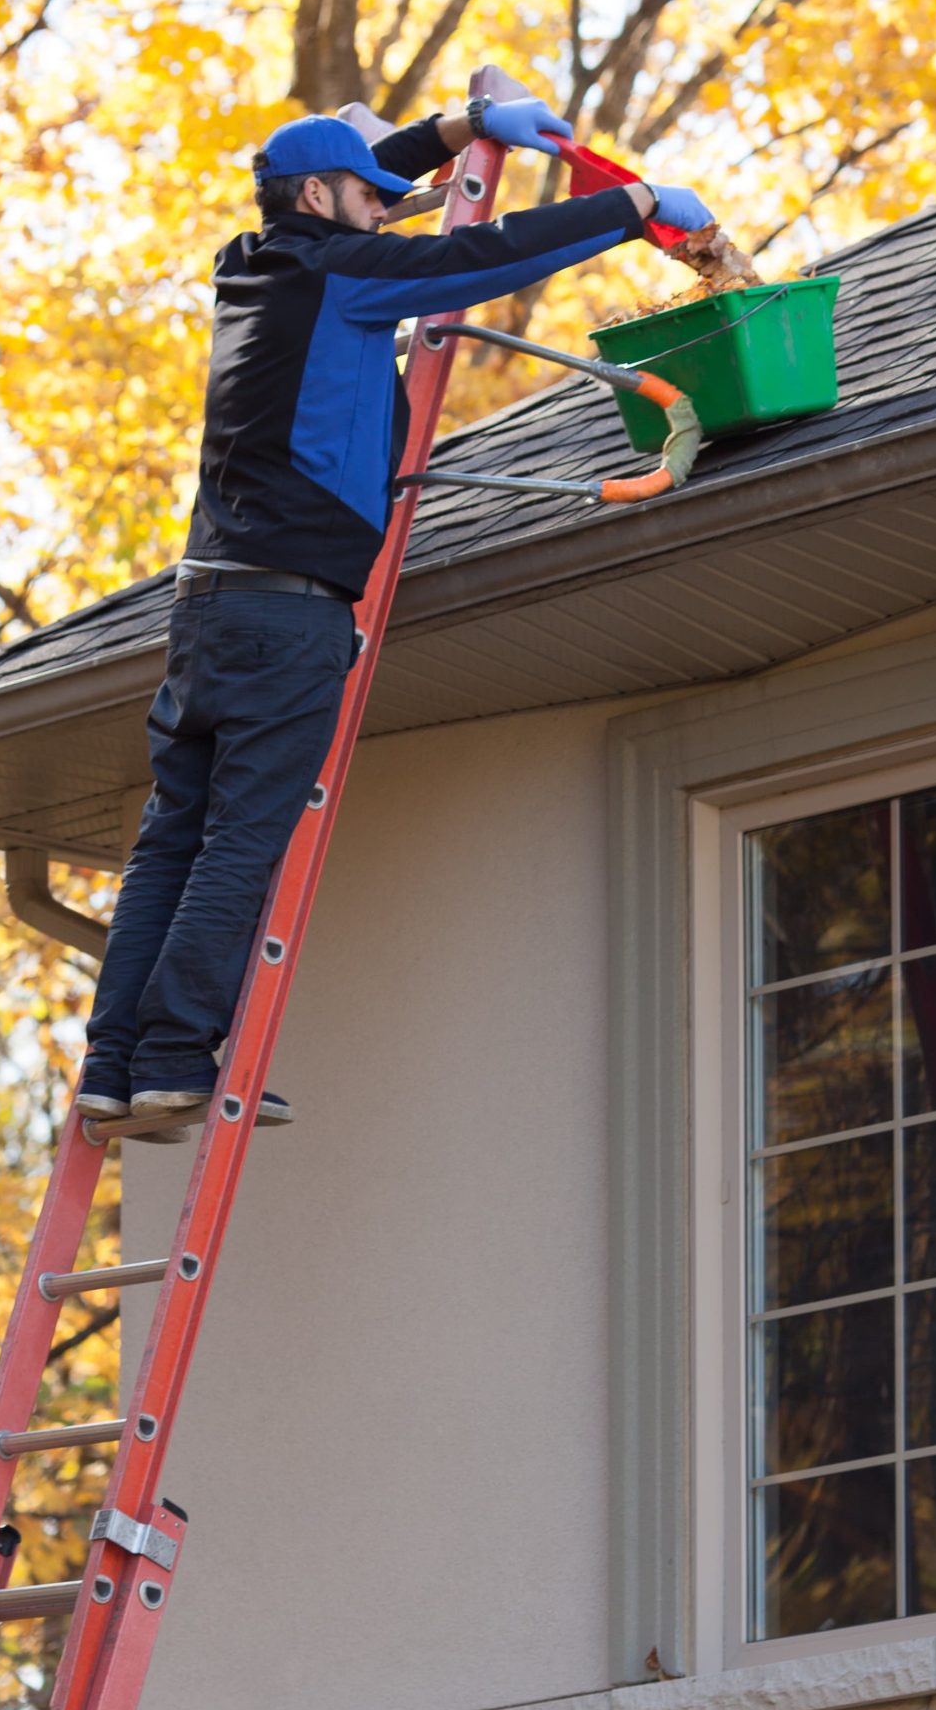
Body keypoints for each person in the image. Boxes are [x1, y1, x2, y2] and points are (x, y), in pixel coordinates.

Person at [78, 96, 713, 1128]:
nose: (387, 212)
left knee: (172, 840)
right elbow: (486, 256)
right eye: (370, 200)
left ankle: (116, 1065)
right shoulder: (345, 276)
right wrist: (632, 207)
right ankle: (178, 1054)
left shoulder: (255, 264)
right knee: (242, 837)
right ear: (322, 196)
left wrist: (459, 129)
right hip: (289, 615)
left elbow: (369, 179)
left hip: (205, 609)